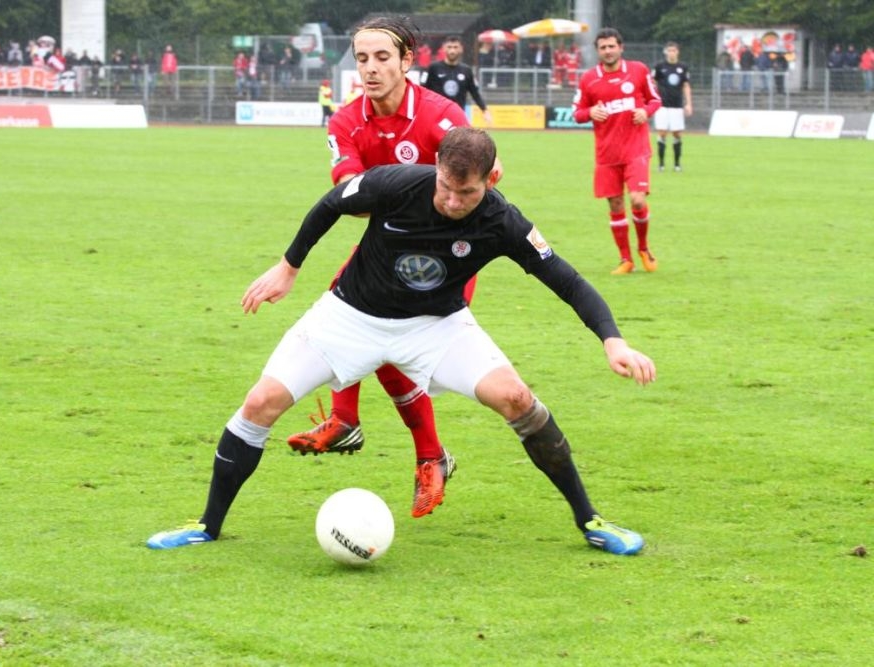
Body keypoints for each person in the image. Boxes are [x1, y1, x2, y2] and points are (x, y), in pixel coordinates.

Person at [146, 127, 655, 556]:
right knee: (260, 403)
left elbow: (568, 280)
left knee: (517, 398)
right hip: (348, 317)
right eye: (446, 187)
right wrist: (289, 266)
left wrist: (613, 341)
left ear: (491, 179)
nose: (452, 201)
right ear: (436, 169)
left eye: (466, 193)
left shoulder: (503, 221)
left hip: (436, 327)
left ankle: (590, 521)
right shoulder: (395, 183)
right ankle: (206, 526)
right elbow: (331, 203)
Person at [288, 16, 486, 519]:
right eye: (362, 58)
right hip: (388, 248)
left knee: (384, 340)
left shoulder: (440, 116)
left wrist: (416, 195)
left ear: (406, 61)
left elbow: (488, 174)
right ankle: (357, 425)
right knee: (342, 307)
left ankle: (417, 450)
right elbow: (349, 197)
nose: (370, 68)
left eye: (382, 57)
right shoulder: (345, 121)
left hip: (445, 257)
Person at [573, 27, 661, 275]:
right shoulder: (589, 79)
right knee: (615, 204)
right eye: (603, 47)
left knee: (637, 199)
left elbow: (655, 100)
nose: (608, 51)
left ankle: (643, 248)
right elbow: (577, 113)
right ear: (597, 51)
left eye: (612, 46)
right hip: (607, 154)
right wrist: (590, 112)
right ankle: (626, 259)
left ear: (621, 48)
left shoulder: (638, 70)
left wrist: (646, 111)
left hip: (636, 149)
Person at [420, 35, 492, 125]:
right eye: (449, 47)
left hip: (457, 117)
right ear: (444, 48)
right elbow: (422, 91)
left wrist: (485, 110)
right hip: (437, 117)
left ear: (461, 49)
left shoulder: (466, 70)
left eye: (455, 47)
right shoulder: (433, 68)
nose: (452, 51)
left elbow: (475, 93)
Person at [652, 41, 692, 173]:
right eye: (669, 50)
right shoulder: (659, 67)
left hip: (677, 105)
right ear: (666, 52)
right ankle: (661, 164)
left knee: (677, 133)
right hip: (662, 105)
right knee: (662, 132)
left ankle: (677, 164)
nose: (671, 53)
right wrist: (652, 98)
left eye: (673, 50)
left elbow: (686, 86)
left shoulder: (683, 67)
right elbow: (652, 83)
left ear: (677, 52)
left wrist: (688, 103)